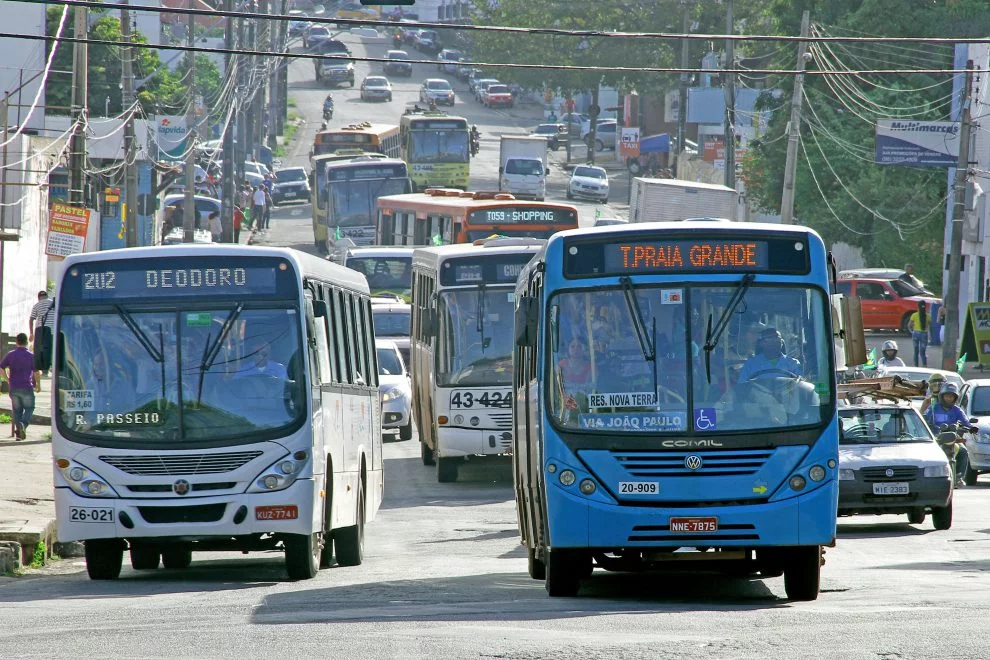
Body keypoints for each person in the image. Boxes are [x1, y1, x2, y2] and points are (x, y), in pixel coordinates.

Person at [923, 382, 974, 487]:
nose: (949, 398)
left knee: (964, 452)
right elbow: (924, 418)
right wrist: (926, 421)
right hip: (937, 439)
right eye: (947, 396)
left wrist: (971, 428)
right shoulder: (933, 408)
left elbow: (966, 423)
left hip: (953, 438)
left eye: (951, 396)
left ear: (955, 398)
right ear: (942, 396)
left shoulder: (957, 410)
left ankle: (959, 477)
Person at [0, 333, 40, 440]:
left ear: (16, 342)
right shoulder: (31, 355)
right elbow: (36, 372)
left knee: (17, 410)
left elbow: (1, 367)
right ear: (27, 342)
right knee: (29, 408)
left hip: (14, 387)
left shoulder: (10, 354)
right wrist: (38, 385)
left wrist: (8, 379)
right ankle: (23, 424)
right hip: (27, 387)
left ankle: (18, 434)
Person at [737, 328, 802, 382]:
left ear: (782, 343)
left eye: (776, 339)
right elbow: (742, 388)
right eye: (769, 339)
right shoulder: (750, 364)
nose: (773, 342)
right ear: (761, 343)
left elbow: (800, 385)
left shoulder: (793, 364)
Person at [28, 290, 55, 377]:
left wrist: (31, 333)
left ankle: (44, 371)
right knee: (53, 349)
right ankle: (54, 368)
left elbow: (31, 319)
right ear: (47, 296)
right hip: (52, 330)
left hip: (41, 331)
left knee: (42, 350)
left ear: (39, 297)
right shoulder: (52, 303)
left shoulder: (36, 305)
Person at [908, 300, 929, 367]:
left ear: (918, 307)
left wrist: (912, 331)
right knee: (923, 352)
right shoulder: (928, 316)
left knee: (916, 351)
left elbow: (909, 325)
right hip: (924, 334)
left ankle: (916, 366)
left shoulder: (914, 315)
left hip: (915, 333)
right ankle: (924, 365)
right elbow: (930, 325)